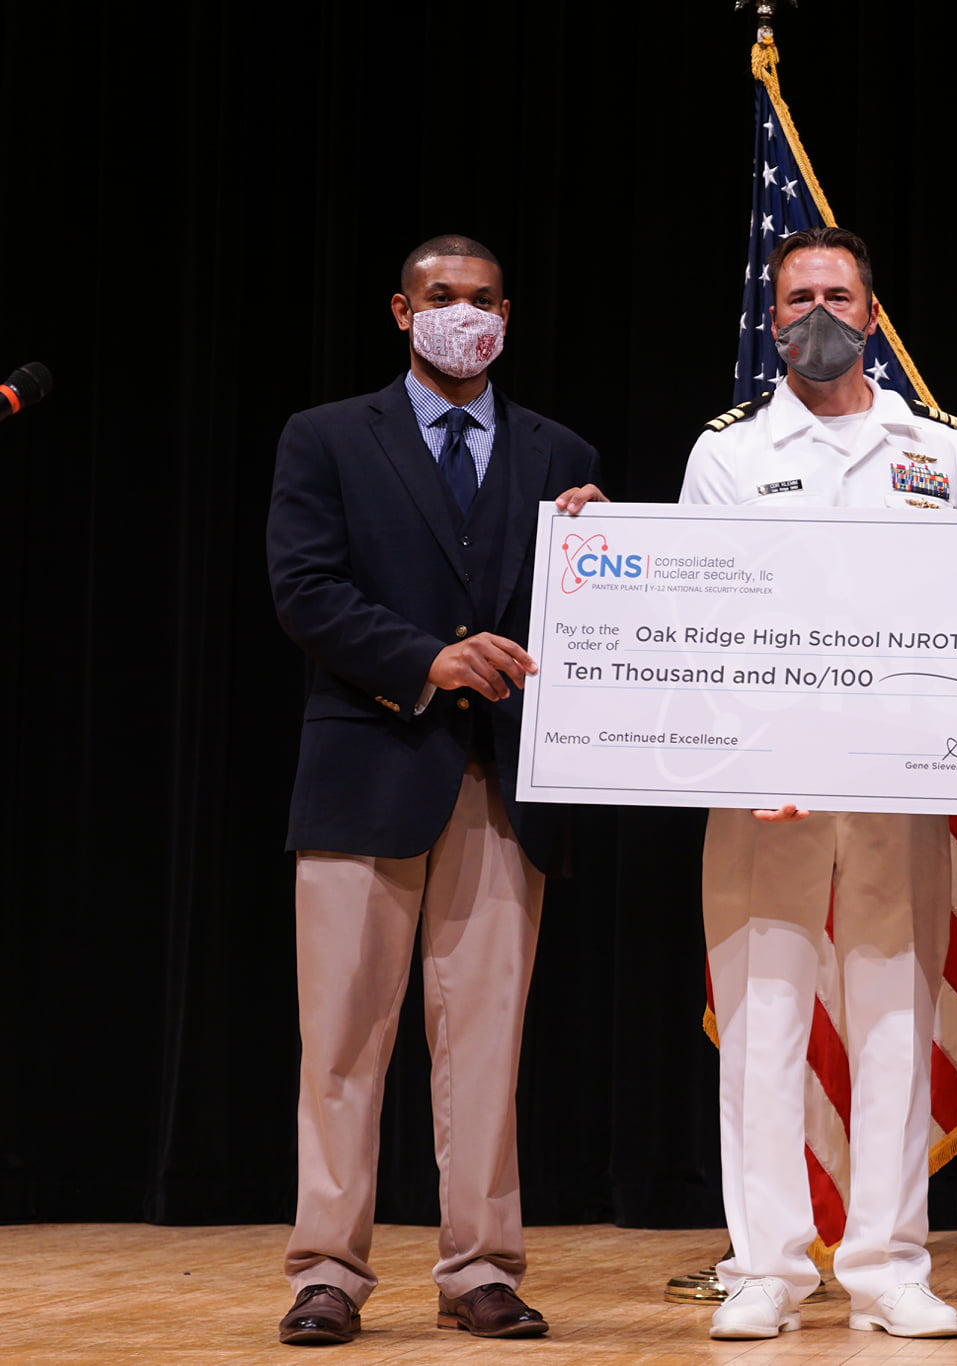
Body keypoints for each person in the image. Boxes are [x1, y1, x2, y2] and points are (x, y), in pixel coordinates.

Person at [266, 234, 605, 1346]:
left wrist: (605, 560)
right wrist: (427, 658)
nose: (463, 313)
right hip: (366, 768)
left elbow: (581, 617)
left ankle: (478, 1267)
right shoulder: (325, 437)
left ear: (508, 313)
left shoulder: (562, 454)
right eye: (440, 297)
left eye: (481, 299)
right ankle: (326, 1267)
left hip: (500, 786)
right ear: (401, 312)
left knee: (484, 1046)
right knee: (343, 1042)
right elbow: (304, 589)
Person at [679, 225, 957, 1341]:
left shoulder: (934, 449)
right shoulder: (725, 452)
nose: (817, 312)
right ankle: (763, 1265)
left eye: (837, 296)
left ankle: (888, 1262)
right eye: (797, 296)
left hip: (896, 784)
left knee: (895, 1016)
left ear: (869, 314)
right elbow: (698, 618)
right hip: (766, 786)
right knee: (762, 1014)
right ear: (773, 321)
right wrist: (744, 748)